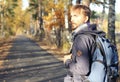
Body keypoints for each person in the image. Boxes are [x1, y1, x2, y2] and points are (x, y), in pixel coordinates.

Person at [63, 4, 97, 82]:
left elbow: (82, 70)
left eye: (76, 16)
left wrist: (67, 61)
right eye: (71, 16)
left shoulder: (82, 38)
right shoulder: (93, 34)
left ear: (86, 18)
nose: (71, 19)